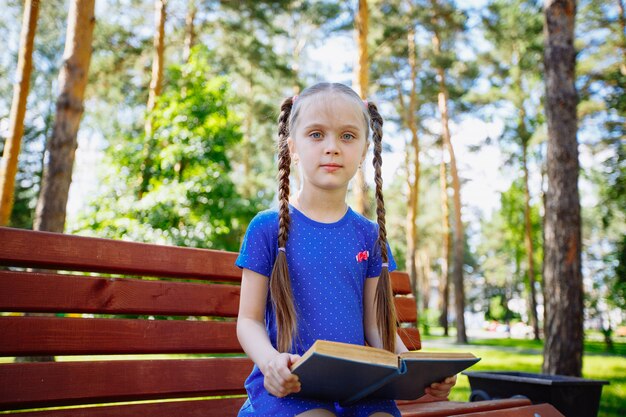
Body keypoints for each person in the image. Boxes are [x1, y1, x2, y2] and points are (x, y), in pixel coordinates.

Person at [236, 82, 457, 417]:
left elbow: (375, 327)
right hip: (289, 389)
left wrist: (415, 371)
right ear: (292, 147)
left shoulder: (369, 235)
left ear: (365, 150)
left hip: (358, 390)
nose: (332, 148)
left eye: (348, 136)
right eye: (316, 135)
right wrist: (271, 364)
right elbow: (248, 321)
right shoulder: (267, 228)